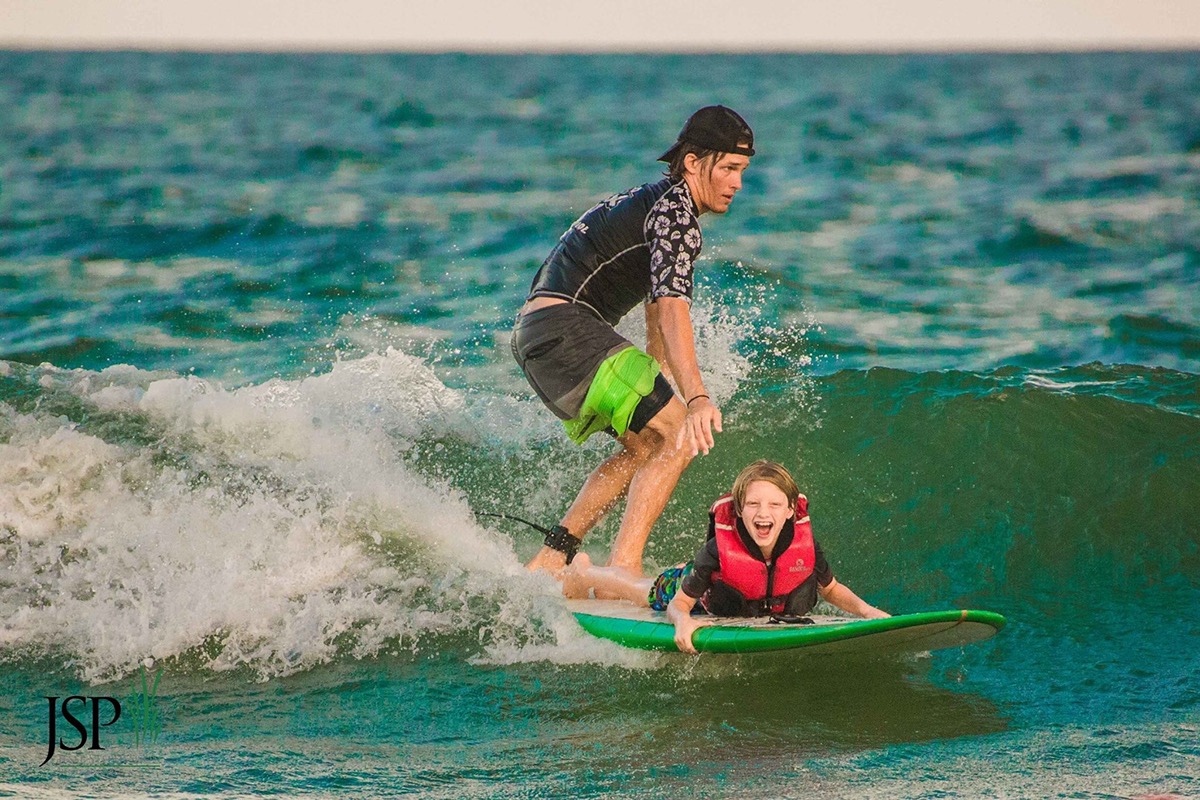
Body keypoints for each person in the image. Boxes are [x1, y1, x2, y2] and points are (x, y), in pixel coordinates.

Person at [511, 105, 755, 578]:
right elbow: (670, 305)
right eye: (727, 168)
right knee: (679, 433)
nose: (736, 183)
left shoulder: (654, 203)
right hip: (567, 329)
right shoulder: (676, 215)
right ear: (692, 162)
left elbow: (653, 295)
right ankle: (624, 566)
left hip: (538, 337)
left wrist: (657, 365)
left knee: (646, 445)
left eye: (741, 171)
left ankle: (553, 556)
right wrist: (697, 395)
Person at [562, 460, 890, 654]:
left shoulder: (805, 547)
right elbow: (679, 604)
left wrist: (867, 610)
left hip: (736, 597)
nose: (764, 514)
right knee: (648, 593)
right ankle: (586, 573)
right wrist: (683, 621)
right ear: (739, 510)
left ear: (790, 510)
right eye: (753, 505)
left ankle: (590, 573)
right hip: (696, 590)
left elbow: (830, 589)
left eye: (775, 505)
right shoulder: (719, 550)